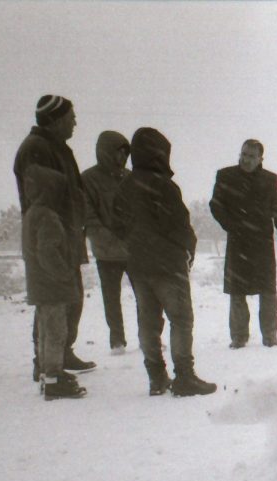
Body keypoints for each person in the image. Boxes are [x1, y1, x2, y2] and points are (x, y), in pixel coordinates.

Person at [111, 127, 216, 397]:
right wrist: (187, 246)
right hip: (168, 264)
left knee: (148, 321)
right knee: (180, 319)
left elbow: (117, 224)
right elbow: (178, 224)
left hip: (137, 264)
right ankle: (184, 376)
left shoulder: (125, 185)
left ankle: (156, 378)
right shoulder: (164, 186)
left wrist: (136, 244)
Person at [13, 94, 97, 381]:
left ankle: (61, 352)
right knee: (52, 302)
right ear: (55, 120)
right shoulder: (36, 148)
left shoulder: (58, 147)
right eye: (71, 117)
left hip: (66, 234)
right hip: (52, 237)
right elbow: (44, 194)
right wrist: (56, 230)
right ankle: (46, 361)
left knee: (69, 298)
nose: (75, 122)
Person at [210, 139, 277, 348]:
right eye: (244, 154)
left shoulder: (269, 180)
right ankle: (239, 337)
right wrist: (231, 226)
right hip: (238, 242)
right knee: (237, 291)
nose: (246, 159)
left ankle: (270, 337)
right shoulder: (226, 176)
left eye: (251, 156)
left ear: (260, 159)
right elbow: (216, 206)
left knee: (268, 291)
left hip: (262, 243)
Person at [21, 165, 87, 400]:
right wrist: (65, 274)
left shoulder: (32, 213)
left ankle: (46, 377)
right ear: (49, 190)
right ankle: (54, 379)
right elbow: (48, 252)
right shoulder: (48, 216)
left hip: (39, 285)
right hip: (52, 287)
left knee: (44, 332)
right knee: (56, 333)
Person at [81, 131, 133, 354]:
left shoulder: (131, 177)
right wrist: (111, 240)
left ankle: (149, 336)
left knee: (146, 296)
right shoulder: (88, 179)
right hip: (107, 252)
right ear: (105, 152)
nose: (121, 157)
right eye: (117, 152)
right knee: (111, 298)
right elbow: (89, 217)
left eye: (125, 153)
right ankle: (117, 340)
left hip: (133, 250)